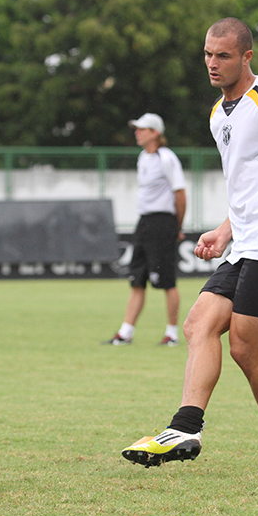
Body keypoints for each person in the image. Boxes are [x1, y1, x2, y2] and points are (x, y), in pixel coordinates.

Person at [121, 18, 258, 475]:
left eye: (222, 55)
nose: (212, 64)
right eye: (207, 54)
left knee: (246, 346)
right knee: (199, 323)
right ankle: (185, 428)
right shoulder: (219, 114)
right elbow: (248, 186)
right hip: (246, 242)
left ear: (246, 57)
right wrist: (225, 230)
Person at [104, 113, 187, 347]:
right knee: (137, 279)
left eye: (142, 129)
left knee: (167, 280)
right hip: (144, 223)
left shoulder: (167, 158)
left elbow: (180, 194)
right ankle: (126, 332)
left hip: (163, 222)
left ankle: (171, 333)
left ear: (155, 133)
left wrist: (177, 226)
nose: (137, 132)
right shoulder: (142, 158)